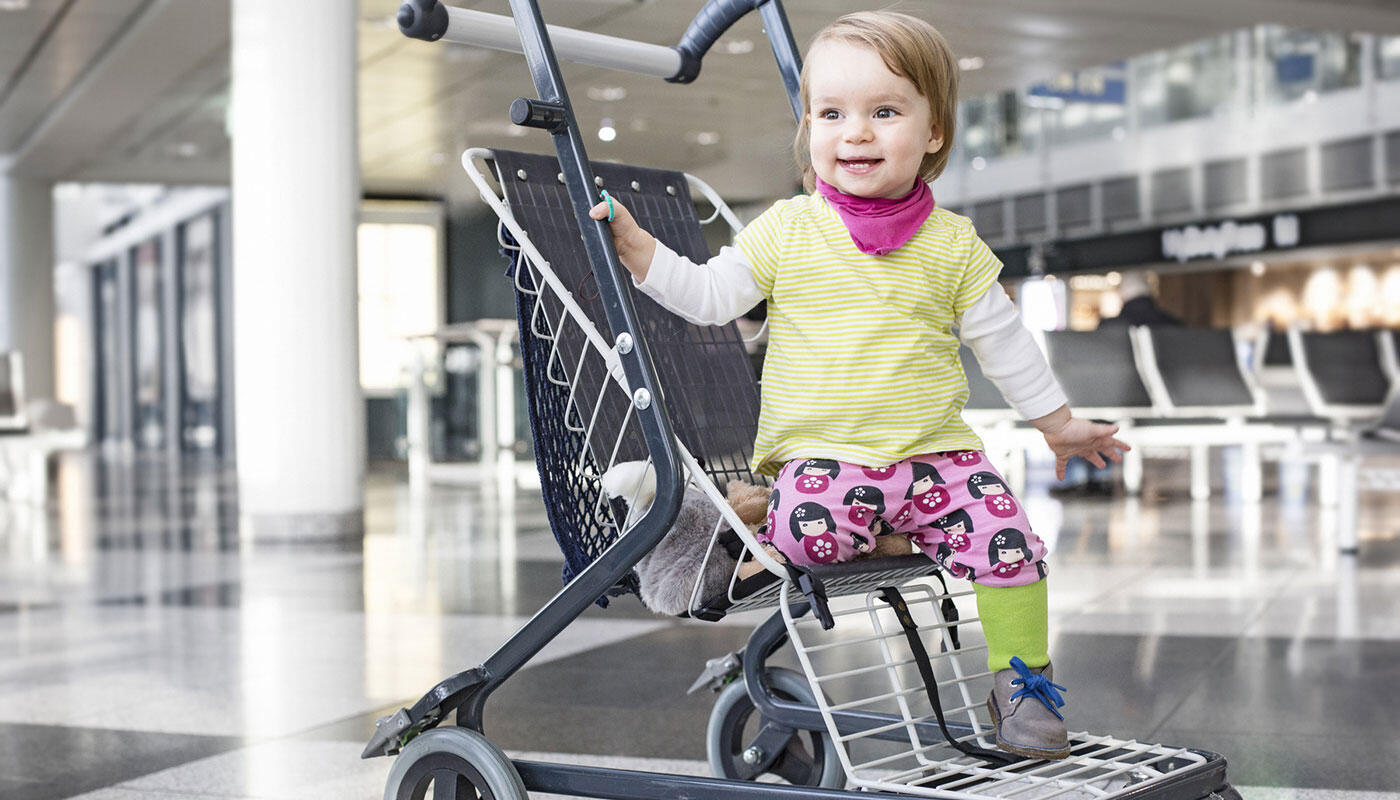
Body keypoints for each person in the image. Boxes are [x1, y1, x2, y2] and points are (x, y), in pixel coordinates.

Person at [589, 10, 1127, 760]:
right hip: (828, 455)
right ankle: (765, 513)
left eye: (885, 111)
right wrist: (642, 250)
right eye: (831, 113)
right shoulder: (788, 229)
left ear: (934, 130)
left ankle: (1021, 685)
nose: (856, 133)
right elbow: (711, 298)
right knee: (813, 534)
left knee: (1013, 547)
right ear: (809, 126)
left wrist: (1057, 423)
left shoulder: (953, 244)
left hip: (938, 456)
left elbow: (1004, 340)